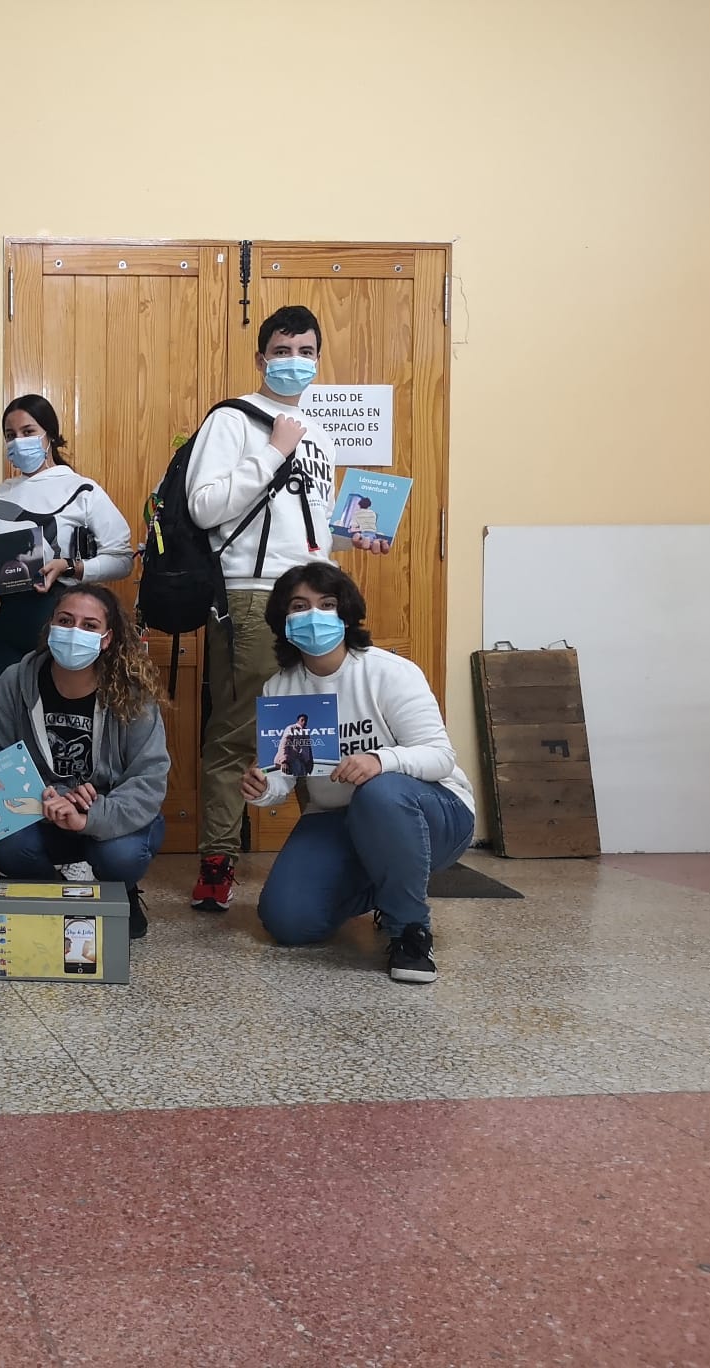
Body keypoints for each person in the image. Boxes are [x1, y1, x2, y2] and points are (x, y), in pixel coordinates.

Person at [187, 304, 387, 915]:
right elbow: (204, 507)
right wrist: (273, 451)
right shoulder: (232, 420)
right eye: (282, 351)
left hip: (316, 595)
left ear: (318, 359)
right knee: (238, 732)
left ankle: (325, 858)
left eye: (305, 352)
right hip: (251, 593)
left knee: (312, 731)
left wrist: (354, 537)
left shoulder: (318, 434)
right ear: (261, 358)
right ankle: (217, 864)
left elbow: (306, 526)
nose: (294, 362)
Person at [243, 562, 474, 984]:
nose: (314, 615)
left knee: (379, 792)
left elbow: (440, 756)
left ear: (346, 613)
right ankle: (389, 883)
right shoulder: (281, 688)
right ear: (283, 620)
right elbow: (286, 773)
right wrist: (263, 787)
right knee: (288, 921)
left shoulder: (388, 672)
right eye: (299, 606)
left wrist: (381, 760)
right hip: (336, 818)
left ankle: (409, 930)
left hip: (430, 813)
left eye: (327, 603)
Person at [0, 585, 170, 940]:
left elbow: (149, 780)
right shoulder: (13, 683)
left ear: (107, 639)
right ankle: (50, 892)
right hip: (41, 811)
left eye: (89, 625)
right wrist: (49, 801)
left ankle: (121, 892)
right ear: (50, 626)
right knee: (3, 841)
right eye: (65, 621)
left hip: (110, 813)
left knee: (121, 856)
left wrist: (88, 815)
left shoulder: (133, 694)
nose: (74, 631)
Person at [0, 395, 134, 687]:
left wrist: (69, 567)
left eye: (28, 432)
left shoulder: (82, 490)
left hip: (64, 626)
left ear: (50, 435)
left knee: (58, 708)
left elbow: (122, 560)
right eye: (10, 435)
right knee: (5, 709)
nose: (18, 441)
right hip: (1, 630)